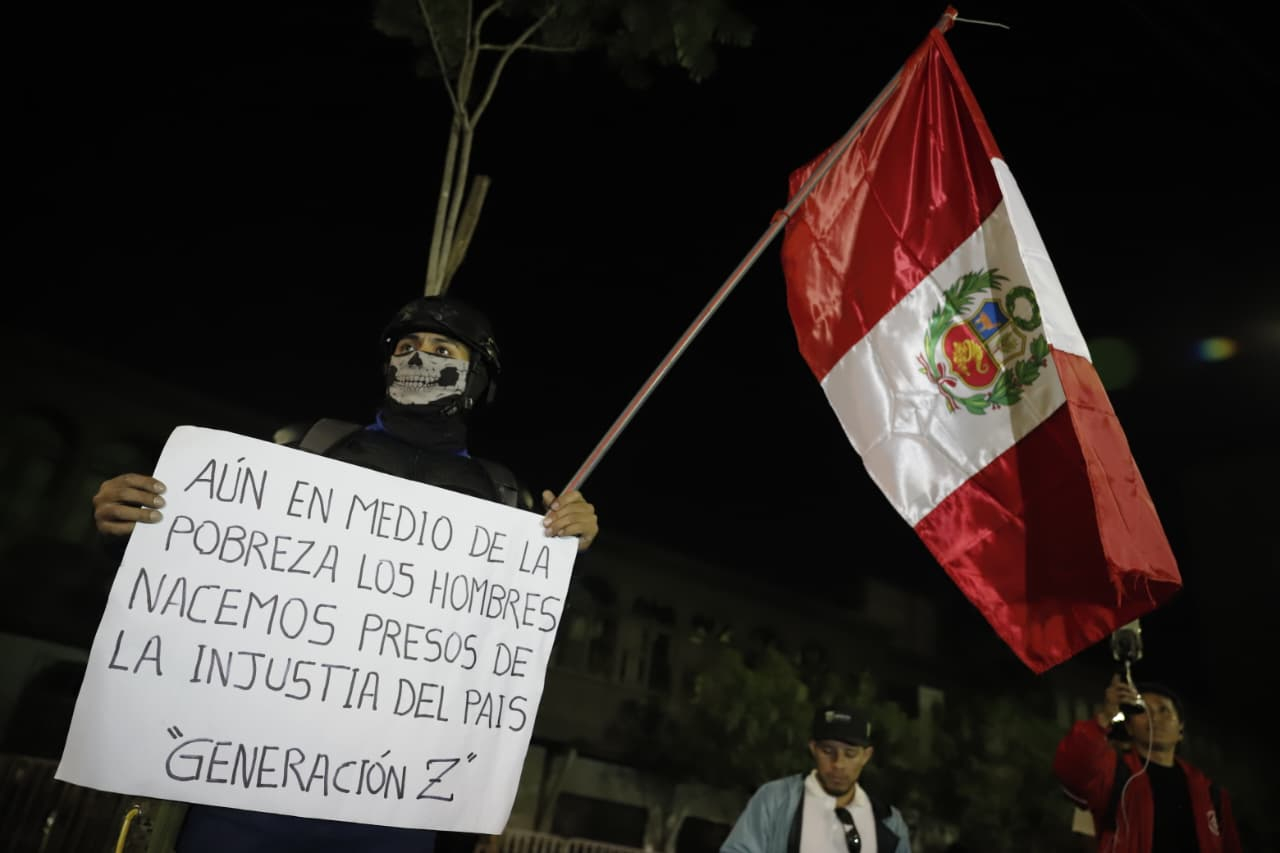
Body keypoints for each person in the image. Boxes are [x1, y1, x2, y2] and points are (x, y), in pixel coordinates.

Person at [90, 294, 599, 853]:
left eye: (441, 349)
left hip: (395, 806)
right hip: (246, 790)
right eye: (406, 348)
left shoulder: (507, 499)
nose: (419, 358)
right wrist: (134, 528)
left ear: (478, 376)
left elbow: (514, 642)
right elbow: (206, 581)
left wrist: (566, 555)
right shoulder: (303, 451)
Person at [1053, 674, 1241, 853]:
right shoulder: (1114, 774)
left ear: (1181, 729)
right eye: (1143, 710)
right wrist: (1106, 715)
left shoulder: (1210, 793)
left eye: (1164, 710)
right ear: (1129, 727)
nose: (1155, 718)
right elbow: (1072, 767)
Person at [720, 704, 911, 853]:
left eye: (850, 754)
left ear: (866, 756)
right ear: (813, 748)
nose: (838, 764)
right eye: (828, 751)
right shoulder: (775, 800)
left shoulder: (889, 822)